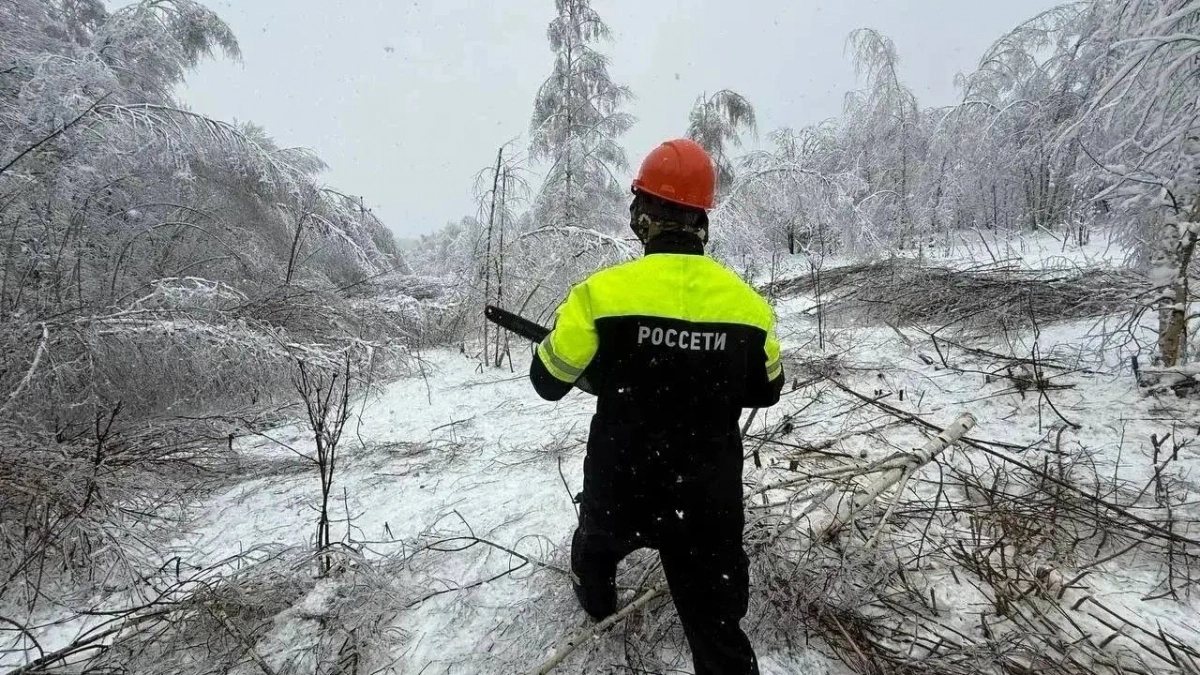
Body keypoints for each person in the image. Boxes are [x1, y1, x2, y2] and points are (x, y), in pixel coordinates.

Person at [528, 138, 784, 675]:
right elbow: (765, 389)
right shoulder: (749, 307)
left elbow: (548, 381)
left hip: (620, 484)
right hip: (706, 500)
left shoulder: (599, 295)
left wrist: (612, 368)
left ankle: (598, 607)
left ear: (642, 216)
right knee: (719, 637)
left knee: (595, 550)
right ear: (702, 221)